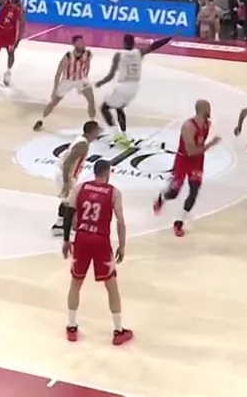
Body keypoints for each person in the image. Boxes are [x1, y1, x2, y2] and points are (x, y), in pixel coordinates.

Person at [60, 159, 133, 345]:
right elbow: (120, 221)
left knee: (76, 283)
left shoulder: (80, 188)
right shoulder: (114, 192)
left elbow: (67, 212)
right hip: (100, 241)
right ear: (107, 173)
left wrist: (66, 239)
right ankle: (118, 331)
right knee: (111, 286)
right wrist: (122, 245)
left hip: (82, 239)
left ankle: (71, 327)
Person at [154, 99, 219, 237]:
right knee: (174, 193)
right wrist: (210, 144)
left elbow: (199, 146)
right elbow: (190, 151)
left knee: (194, 191)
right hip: (184, 160)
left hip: (197, 161)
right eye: (208, 108)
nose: (210, 111)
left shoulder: (207, 124)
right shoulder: (188, 126)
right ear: (202, 110)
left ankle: (179, 222)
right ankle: (162, 197)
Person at [94, 34, 171, 147]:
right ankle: (124, 134)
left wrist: (100, 82)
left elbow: (111, 75)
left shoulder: (119, 55)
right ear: (133, 43)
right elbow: (154, 46)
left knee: (104, 108)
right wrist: (168, 38)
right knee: (119, 108)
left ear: (124, 43)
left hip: (123, 86)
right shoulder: (139, 52)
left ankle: (116, 135)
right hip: (134, 87)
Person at [33, 36, 96, 131]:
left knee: (91, 99)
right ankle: (41, 120)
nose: (83, 44)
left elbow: (87, 65)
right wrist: (54, 89)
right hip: (67, 80)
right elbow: (58, 72)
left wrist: (85, 76)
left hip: (81, 79)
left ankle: (92, 122)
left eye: (83, 42)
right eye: (80, 42)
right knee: (54, 101)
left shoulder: (88, 54)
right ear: (74, 44)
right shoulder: (68, 56)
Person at [52, 120, 101, 236]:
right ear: (91, 132)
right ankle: (62, 226)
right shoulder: (82, 145)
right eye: (97, 131)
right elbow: (67, 163)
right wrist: (66, 181)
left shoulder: (82, 141)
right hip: (66, 174)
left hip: (68, 174)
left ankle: (59, 225)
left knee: (67, 201)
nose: (98, 134)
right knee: (71, 202)